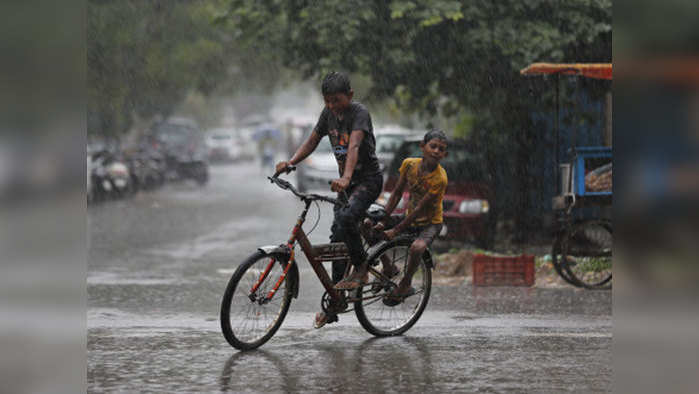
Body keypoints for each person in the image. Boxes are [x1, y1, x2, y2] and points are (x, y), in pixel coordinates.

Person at [275, 71, 383, 328]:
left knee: (346, 219)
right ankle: (336, 300)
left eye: (337, 100)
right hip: (345, 185)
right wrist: (291, 163)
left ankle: (360, 267)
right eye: (328, 101)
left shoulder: (359, 113)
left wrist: (346, 177)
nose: (332, 106)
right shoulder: (328, 115)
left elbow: (355, 146)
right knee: (337, 239)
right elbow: (312, 140)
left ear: (350, 95)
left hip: (367, 180)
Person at [369, 129, 448, 305]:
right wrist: (383, 220)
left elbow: (420, 208)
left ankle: (406, 283)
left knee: (417, 248)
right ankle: (388, 267)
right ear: (422, 147)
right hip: (408, 216)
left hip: (430, 224)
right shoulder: (409, 164)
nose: (436, 151)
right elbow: (397, 193)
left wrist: (395, 231)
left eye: (441, 149)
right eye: (433, 146)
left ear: (444, 155)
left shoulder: (440, 179)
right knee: (367, 224)